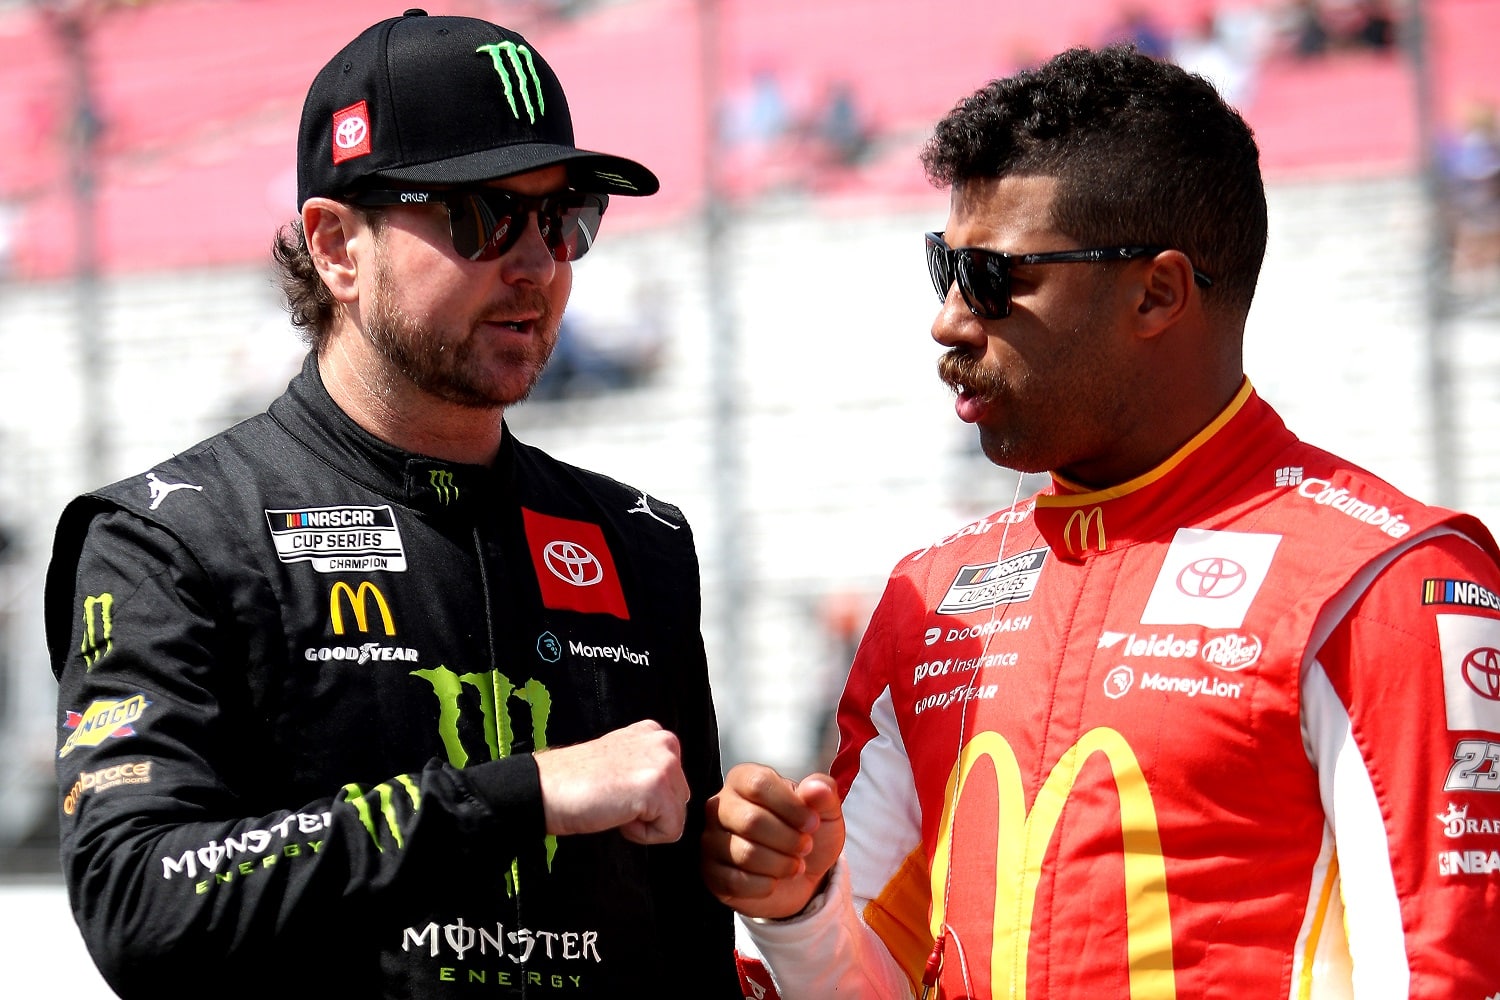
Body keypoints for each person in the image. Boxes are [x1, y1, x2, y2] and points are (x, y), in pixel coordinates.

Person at [702, 44, 1500, 999]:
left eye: (993, 277)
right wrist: (796, 911)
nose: (950, 321)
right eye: (942, 268)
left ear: (1158, 292)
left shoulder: (1381, 585)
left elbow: (1445, 972)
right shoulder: (932, 599)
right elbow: (855, 979)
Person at [46, 10, 738, 998]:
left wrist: (782, 882)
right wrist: (518, 794)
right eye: (481, 216)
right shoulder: (170, 539)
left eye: (563, 217)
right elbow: (139, 902)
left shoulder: (639, 542)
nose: (539, 264)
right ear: (336, 247)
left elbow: (682, 931)